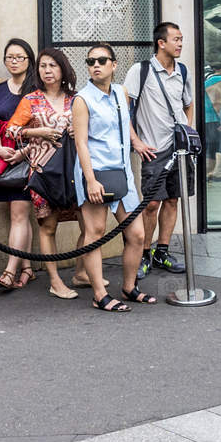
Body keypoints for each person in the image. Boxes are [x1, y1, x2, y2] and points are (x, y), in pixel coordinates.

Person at [71, 43, 155, 312]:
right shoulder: (82, 99)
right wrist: (90, 180)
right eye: (91, 61)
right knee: (94, 233)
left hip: (123, 174)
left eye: (102, 60)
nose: (95, 65)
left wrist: (137, 142)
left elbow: (124, 121)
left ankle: (130, 287)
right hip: (95, 173)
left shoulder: (121, 92)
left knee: (137, 234)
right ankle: (99, 294)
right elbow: (81, 143)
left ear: (114, 65)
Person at [3, 47, 79, 299]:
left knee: (89, 223)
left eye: (52, 66)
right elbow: (11, 131)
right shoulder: (31, 100)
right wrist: (38, 133)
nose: (47, 70)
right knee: (48, 226)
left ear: (62, 69)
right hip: (43, 172)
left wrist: (76, 131)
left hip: (73, 170)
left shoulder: (75, 98)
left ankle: (83, 272)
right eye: (43, 66)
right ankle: (55, 281)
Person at [124, 22, 195, 279]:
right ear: (161, 43)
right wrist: (136, 142)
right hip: (153, 150)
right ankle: (144, 253)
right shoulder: (140, 71)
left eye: (182, 39)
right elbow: (124, 110)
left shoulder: (183, 71)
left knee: (173, 199)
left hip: (179, 149)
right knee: (152, 203)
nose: (180, 44)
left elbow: (189, 103)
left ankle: (162, 252)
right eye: (176, 39)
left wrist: (187, 130)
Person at [0, 38, 40, 291]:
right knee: (17, 216)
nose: (14, 61)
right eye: (10, 57)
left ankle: (9, 272)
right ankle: (27, 268)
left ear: (29, 60)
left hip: (29, 159)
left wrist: (23, 153)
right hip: (4, 159)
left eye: (20, 57)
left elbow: (41, 127)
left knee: (19, 214)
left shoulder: (36, 88)